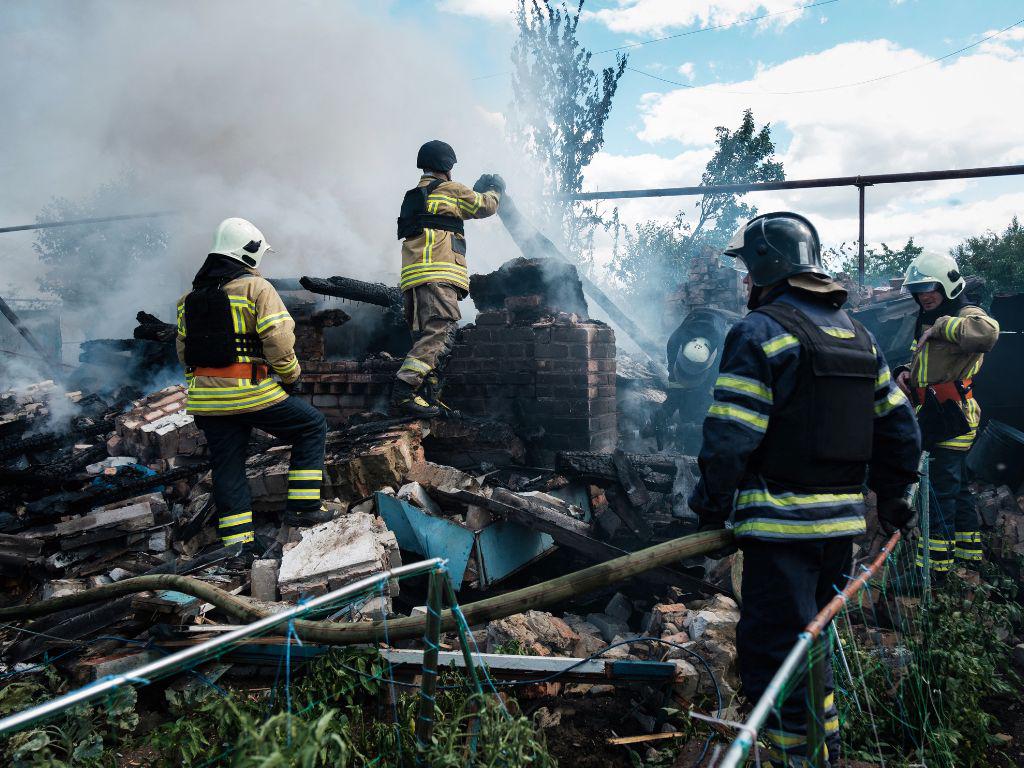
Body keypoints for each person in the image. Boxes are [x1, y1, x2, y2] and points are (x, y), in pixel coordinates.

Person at [689, 212, 921, 765]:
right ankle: (825, 748)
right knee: (811, 643)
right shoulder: (858, 335)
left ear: (769, 266)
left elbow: (731, 434)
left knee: (774, 655)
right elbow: (899, 427)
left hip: (780, 528)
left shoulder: (760, 331)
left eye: (748, 269)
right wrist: (892, 496)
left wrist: (710, 507)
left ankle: (803, 758)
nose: (745, 282)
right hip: (839, 529)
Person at [176, 217, 328, 551]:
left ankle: (238, 545)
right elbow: (278, 337)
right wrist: (291, 376)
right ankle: (303, 509)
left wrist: (200, 390)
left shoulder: (190, 299)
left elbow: (184, 351)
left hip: (207, 401)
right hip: (250, 393)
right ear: (249, 252)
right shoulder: (256, 288)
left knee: (228, 465)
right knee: (312, 426)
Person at [895, 253, 999, 574]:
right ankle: (968, 557)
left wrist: (942, 325)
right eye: (918, 289)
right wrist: (905, 373)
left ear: (948, 285)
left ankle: (934, 571)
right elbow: (928, 366)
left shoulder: (964, 314)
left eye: (930, 287)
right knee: (958, 488)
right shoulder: (928, 319)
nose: (924, 295)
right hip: (937, 415)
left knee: (937, 493)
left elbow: (987, 333)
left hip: (952, 418)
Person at [392, 139, 504, 417]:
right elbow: (484, 206)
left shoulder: (414, 195)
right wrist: (496, 189)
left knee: (423, 340)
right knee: (439, 334)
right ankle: (404, 391)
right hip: (438, 277)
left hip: (414, 281)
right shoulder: (450, 189)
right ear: (447, 166)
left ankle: (426, 398)